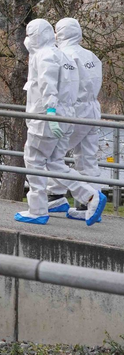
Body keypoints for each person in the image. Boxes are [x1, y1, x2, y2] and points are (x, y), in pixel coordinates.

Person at [15, 19, 105, 226]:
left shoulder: (49, 55)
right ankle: (90, 196)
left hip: (50, 116)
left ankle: (39, 208)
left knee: (35, 160)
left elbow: (48, 87)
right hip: (78, 112)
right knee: (66, 161)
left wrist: (51, 112)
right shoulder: (79, 56)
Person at [45, 18, 105, 220]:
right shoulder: (91, 56)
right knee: (87, 158)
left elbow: (62, 86)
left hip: (73, 110)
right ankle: (90, 203)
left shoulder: (62, 55)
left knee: (54, 154)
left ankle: (55, 196)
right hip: (93, 110)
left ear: (60, 33)